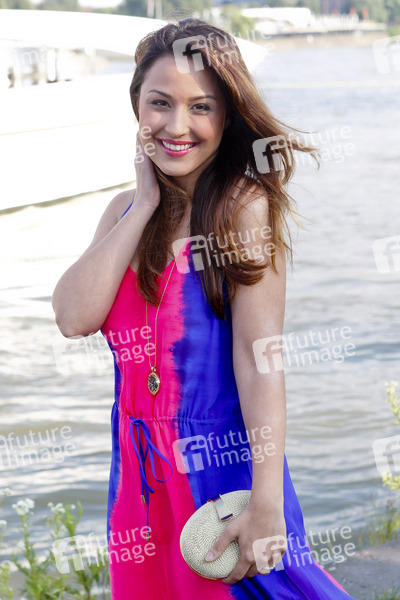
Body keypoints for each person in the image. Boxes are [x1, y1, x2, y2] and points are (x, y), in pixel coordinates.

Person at [52, 17, 355, 600]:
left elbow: (259, 358)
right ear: (137, 105)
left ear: (227, 116)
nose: (176, 126)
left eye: (201, 107)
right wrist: (144, 204)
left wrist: (266, 502)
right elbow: (72, 318)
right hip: (140, 475)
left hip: (220, 469)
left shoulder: (241, 208)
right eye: (160, 103)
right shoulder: (121, 211)